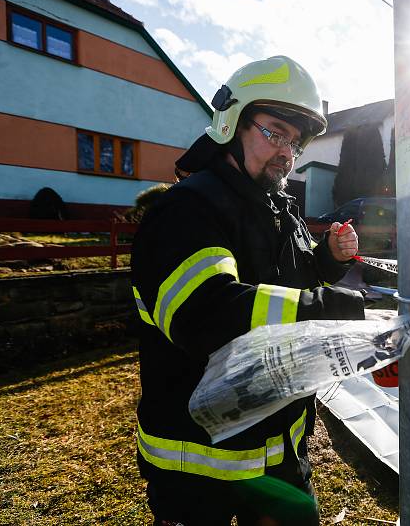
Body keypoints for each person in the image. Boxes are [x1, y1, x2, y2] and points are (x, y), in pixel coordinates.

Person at [131, 56, 365, 525]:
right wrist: (324, 312)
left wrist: (328, 261)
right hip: (198, 464)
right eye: (274, 131)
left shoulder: (278, 206)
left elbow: (290, 284)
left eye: (294, 142)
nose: (286, 151)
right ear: (231, 123)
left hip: (279, 453)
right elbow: (205, 313)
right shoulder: (186, 210)